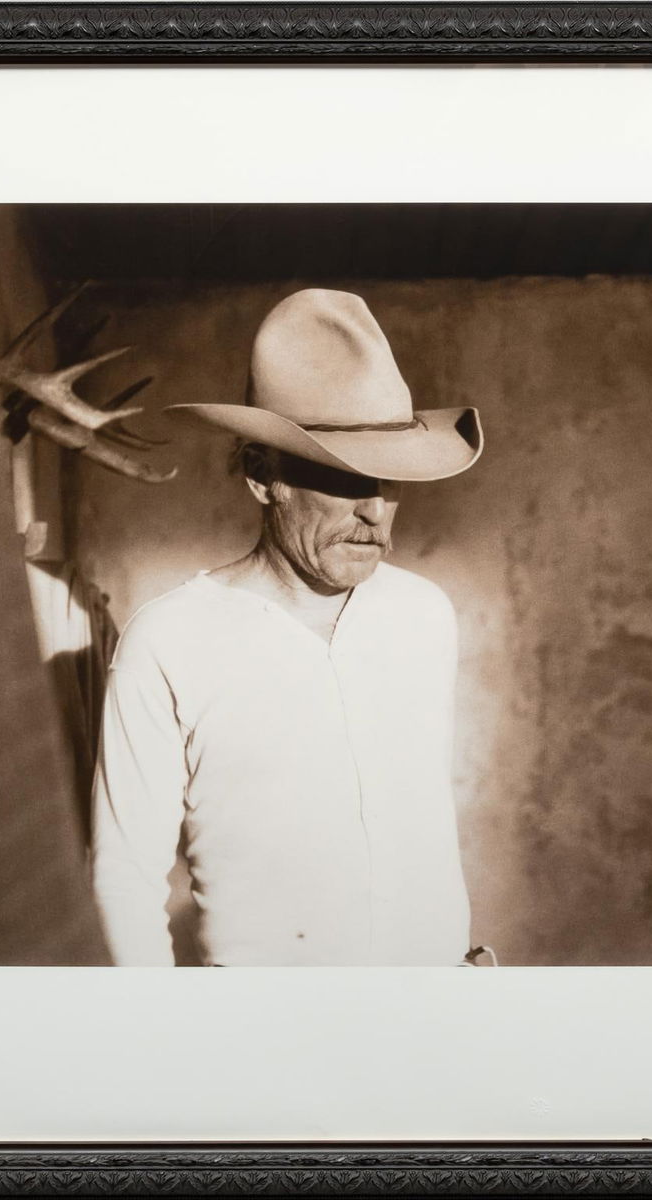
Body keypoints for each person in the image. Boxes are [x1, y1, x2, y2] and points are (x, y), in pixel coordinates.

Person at [89, 289, 484, 966]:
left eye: (390, 482)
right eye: (342, 479)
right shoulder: (168, 641)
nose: (376, 515)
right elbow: (121, 884)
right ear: (260, 475)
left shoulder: (424, 615)